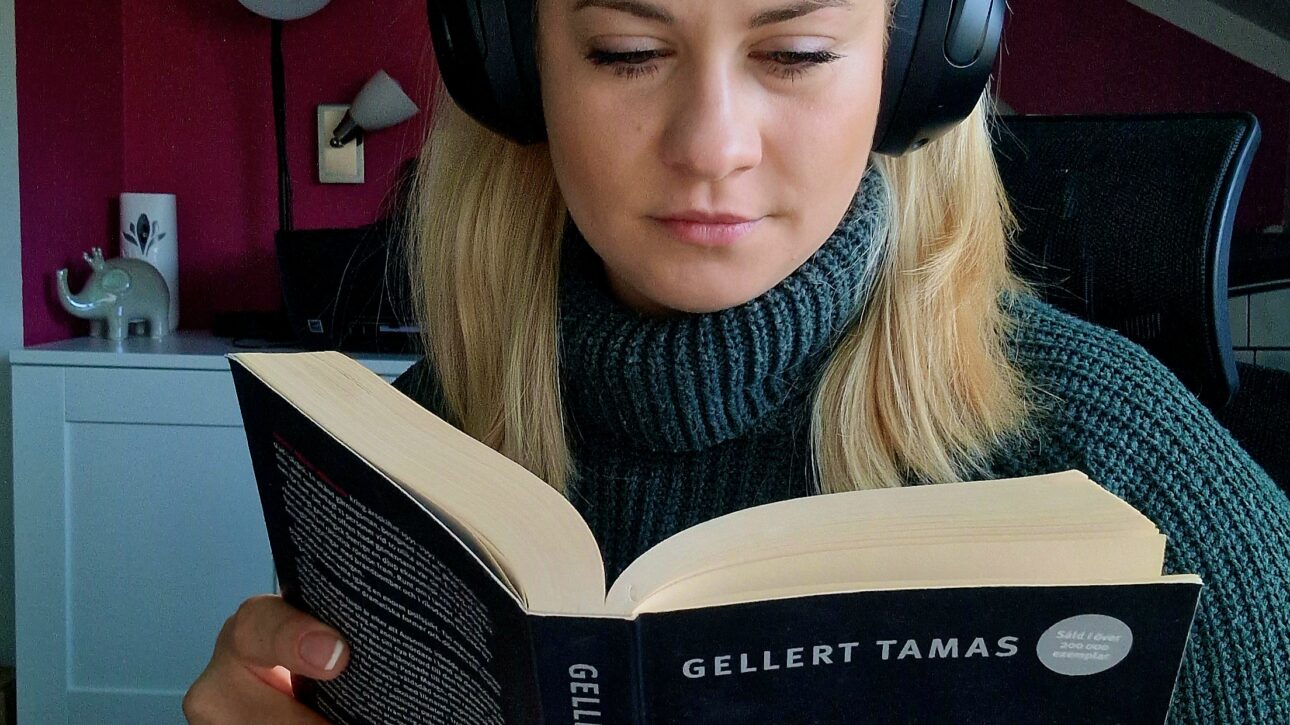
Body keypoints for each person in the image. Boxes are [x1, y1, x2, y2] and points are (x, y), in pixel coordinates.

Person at [184, 0, 1290, 722]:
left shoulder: (1130, 469)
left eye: (795, 55)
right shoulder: (422, 456)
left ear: (914, 71)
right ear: (513, 67)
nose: (711, 145)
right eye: (627, 52)